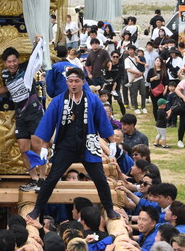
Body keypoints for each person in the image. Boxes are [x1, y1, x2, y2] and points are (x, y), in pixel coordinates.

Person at [27, 67, 120, 220]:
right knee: (52, 179)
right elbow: (48, 123)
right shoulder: (58, 101)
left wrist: (112, 142)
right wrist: (44, 146)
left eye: (77, 81)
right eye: (70, 81)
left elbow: (102, 121)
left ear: (83, 82)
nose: (73, 84)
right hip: (65, 145)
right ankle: (37, 209)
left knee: (100, 178)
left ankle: (109, 209)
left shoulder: (93, 100)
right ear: (67, 82)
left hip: (88, 144)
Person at [0, 43, 46, 192]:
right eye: (9, 62)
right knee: (23, 149)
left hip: (35, 112)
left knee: (37, 146)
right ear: (5, 63)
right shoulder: (5, 75)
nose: (12, 64)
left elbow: (35, 56)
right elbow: (7, 88)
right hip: (21, 115)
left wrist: (38, 43)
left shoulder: (26, 69)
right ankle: (34, 179)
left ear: (18, 60)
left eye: (14, 60)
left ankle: (43, 178)